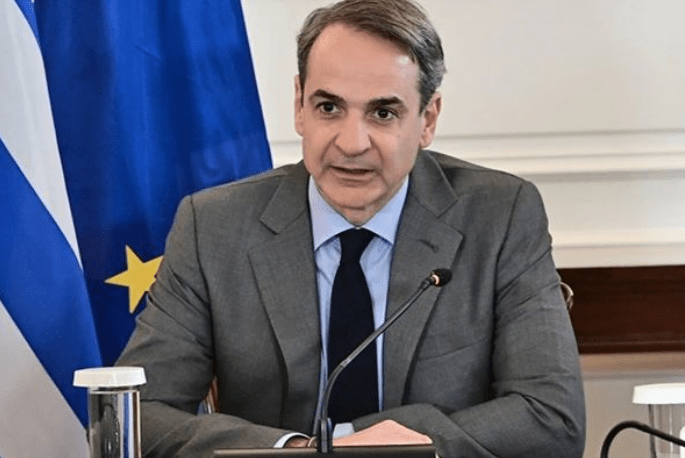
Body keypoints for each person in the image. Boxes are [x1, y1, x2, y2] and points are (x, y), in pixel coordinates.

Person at [116, 0, 586, 457]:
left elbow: (551, 418)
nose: (352, 143)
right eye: (329, 108)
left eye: (383, 113)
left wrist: (366, 446)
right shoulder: (214, 226)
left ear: (427, 119)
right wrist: (295, 453)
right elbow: (137, 414)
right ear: (299, 106)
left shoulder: (500, 217)